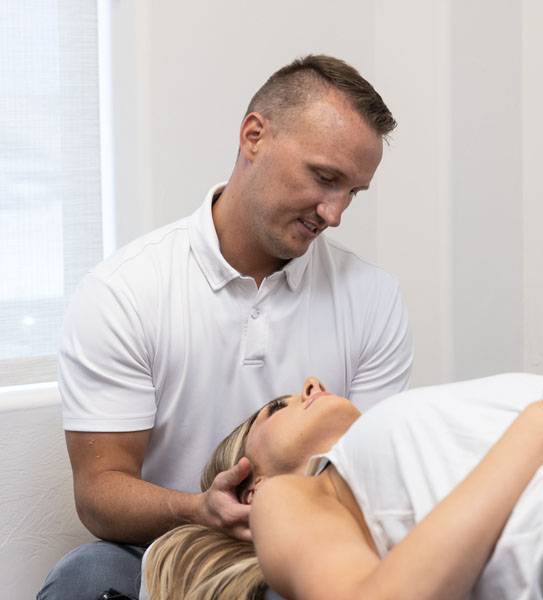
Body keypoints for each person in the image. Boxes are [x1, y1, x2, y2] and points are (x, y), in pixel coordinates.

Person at [38, 55, 413, 599]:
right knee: (87, 576)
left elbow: (373, 479)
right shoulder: (126, 291)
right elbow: (99, 493)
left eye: (352, 192)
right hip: (171, 541)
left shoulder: (373, 298)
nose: (333, 213)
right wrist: (199, 511)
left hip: (306, 548)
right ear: (253, 136)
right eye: (325, 178)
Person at [141, 362, 543, 600]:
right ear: (250, 488)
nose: (311, 382)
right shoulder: (287, 497)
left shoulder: (379, 444)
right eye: (276, 409)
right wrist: (541, 427)